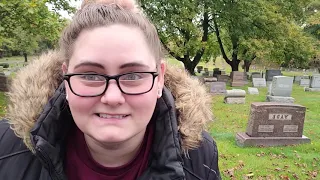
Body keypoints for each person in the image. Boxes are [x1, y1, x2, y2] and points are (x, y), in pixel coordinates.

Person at [0, 1, 221, 179]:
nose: (112, 97)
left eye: (133, 75)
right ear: (66, 79)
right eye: (90, 75)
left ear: (159, 78)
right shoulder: (6, 147)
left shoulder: (200, 155)